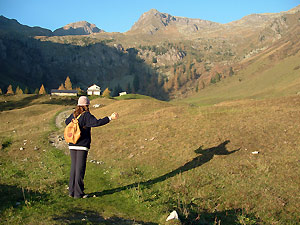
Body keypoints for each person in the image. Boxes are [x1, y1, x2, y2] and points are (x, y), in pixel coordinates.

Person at [65, 96, 118, 198]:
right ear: (86, 105)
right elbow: (96, 122)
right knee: (80, 169)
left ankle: (71, 192)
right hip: (82, 145)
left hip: (72, 144)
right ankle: (79, 193)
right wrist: (110, 118)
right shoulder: (86, 115)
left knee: (74, 168)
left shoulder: (73, 115)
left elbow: (66, 122)